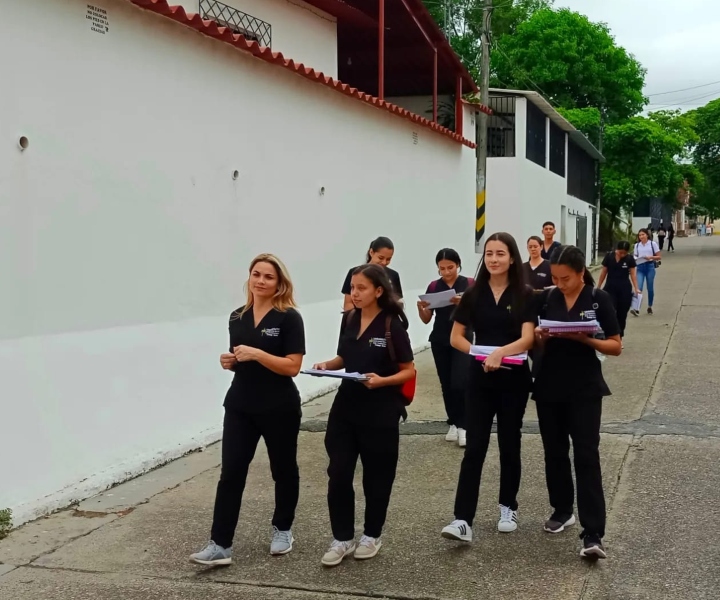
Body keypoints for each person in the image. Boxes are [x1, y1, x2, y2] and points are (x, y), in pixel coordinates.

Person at [190, 254, 306, 566]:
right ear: (249, 278)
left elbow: (293, 366)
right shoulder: (236, 317)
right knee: (231, 474)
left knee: (283, 470)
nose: (261, 281)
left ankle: (283, 529)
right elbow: (241, 361)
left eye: (268, 276)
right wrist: (230, 362)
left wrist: (258, 354)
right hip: (240, 405)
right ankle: (220, 544)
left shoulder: (289, 318)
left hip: (279, 406)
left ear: (279, 283)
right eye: (256, 274)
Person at [314, 264, 415, 567]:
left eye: (361, 288)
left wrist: (382, 381)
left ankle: (372, 534)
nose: (354, 294)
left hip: (381, 410)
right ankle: (342, 537)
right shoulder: (349, 319)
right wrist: (325, 366)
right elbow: (344, 357)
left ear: (378, 291)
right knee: (339, 472)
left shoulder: (392, 325)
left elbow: (408, 370)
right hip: (346, 407)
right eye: (352, 288)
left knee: (377, 477)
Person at [439, 232, 535, 542]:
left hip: (514, 377)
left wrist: (500, 353)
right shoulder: (472, 293)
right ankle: (462, 519)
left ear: (511, 258)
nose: (494, 259)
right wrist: (479, 354)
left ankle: (508, 506)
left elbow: (528, 337)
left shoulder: (524, 293)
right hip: (479, 377)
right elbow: (457, 337)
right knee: (475, 447)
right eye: (489, 254)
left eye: (500, 254)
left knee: (509, 442)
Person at [533, 245, 622, 560]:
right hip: (548, 386)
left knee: (586, 455)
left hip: (585, 389)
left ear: (581, 272)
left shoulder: (599, 299)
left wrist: (586, 339)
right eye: (555, 278)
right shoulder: (547, 298)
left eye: (566, 278)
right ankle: (561, 508)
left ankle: (593, 532)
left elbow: (615, 345)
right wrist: (542, 336)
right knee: (554, 451)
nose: (560, 284)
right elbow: (534, 336)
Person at [417, 249, 474, 447]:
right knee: (446, 383)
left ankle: (464, 425)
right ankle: (454, 422)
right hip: (440, 339)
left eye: (450, 267)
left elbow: (480, 312)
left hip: (463, 337)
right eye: (442, 269)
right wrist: (421, 308)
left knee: (461, 381)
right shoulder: (434, 286)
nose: (447, 272)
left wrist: (465, 302)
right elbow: (426, 319)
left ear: (458, 265)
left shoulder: (469, 284)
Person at [341, 237, 403, 311]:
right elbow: (348, 303)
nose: (384, 262)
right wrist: (358, 319)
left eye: (388, 259)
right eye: (380, 258)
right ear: (371, 252)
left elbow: (398, 303)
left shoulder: (393, 275)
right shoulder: (354, 272)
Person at [597, 241, 640, 347]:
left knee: (621, 315)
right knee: (610, 312)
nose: (622, 255)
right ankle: (609, 335)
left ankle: (619, 337)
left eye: (624, 253)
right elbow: (603, 272)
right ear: (616, 250)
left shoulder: (630, 259)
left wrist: (636, 288)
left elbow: (633, 275)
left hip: (624, 289)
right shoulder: (609, 257)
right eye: (620, 252)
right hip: (610, 288)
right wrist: (598, 286)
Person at [631, 229, 661, 316]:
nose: (641, 237)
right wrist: (635, 258)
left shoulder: (652, 244)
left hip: (650, 266)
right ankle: (636, 308)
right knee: (638, 287)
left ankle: (649, 306)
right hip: (640, 267)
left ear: (647, 235)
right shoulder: (637, 245)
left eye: (643, 235)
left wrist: (650, 257)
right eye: (639, 235)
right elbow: (635, 256)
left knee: (650, 288)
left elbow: (659, 256)